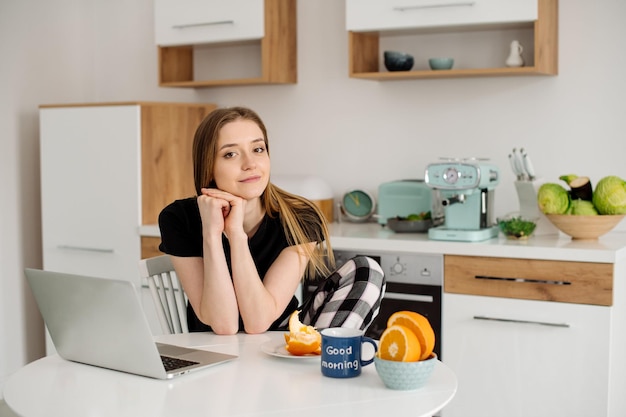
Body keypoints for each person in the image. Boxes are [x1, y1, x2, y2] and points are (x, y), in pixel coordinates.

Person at [158, 106, 385, 335]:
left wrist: (236, 235)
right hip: (214, 349)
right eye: (230, 154)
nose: (250, 164)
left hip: (282, 340)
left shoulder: (300, 217)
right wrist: (212, 233)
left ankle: (322, 359)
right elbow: (224, 325)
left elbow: (258, 322)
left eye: (258, 149)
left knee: (367, 269)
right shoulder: (177, 218)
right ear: (208, 168)